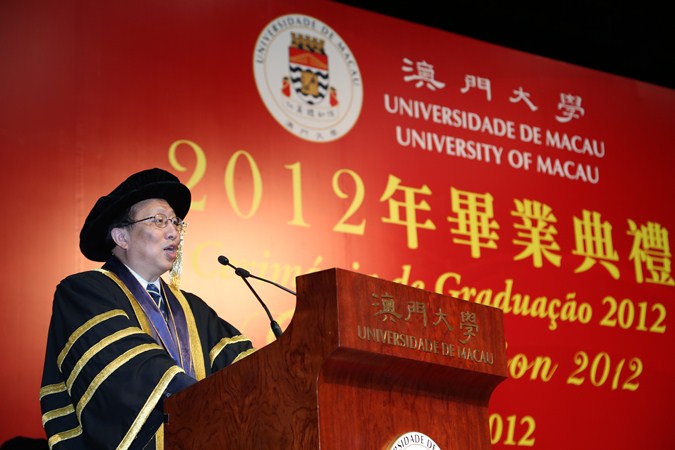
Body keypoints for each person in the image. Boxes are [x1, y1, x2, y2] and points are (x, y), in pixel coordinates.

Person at [39, 168, 254, 450]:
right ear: (121, 237)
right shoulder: (84, 292)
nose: (174, 232)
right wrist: (198, 398)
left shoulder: (193, 309)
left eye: (176, 222)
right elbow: (127, 371)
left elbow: (245, 371)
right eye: (159, 220)